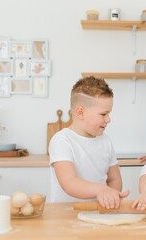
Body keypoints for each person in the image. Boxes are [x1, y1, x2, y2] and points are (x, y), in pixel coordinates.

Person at [49, 76, 129, 208]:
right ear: (80, 113)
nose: (108, 119)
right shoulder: (61, 140)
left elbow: (114, 179)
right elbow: (69, 182)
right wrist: (101, 190)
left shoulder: (106, 141)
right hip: (65, 216)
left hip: (98, 212)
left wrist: (112, 196)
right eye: (103, 114)